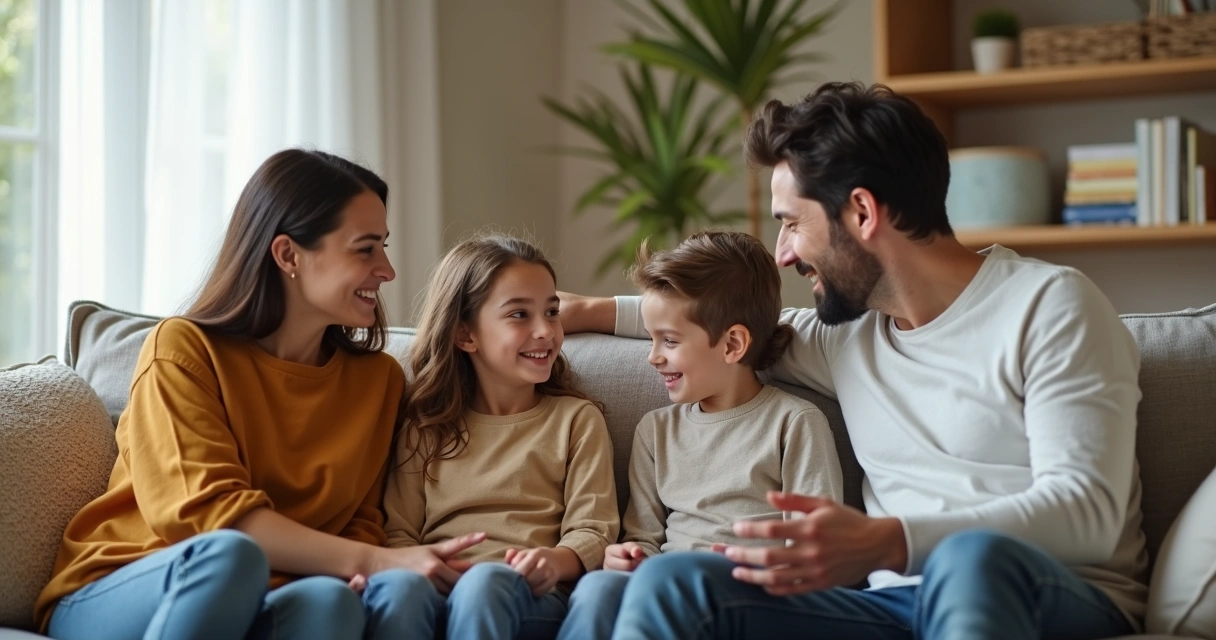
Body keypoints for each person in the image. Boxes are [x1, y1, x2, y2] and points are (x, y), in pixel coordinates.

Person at [560, 82, 1147, 639]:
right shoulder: (847, 338)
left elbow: (1088, 513)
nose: (783, 254)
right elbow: (720, 325)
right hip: (890, 606)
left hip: (1051, 592)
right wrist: (586, 310)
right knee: (674, 582)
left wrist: (888, 542)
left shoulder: (1051, 306)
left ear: (862, 212)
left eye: (792, 223)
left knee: (970, 561)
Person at [34, 149, 485, 640]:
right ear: (288, 254)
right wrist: (375, 560)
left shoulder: (378, 382)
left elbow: (360, 520)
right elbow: (205, 519)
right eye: (365, 249)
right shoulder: (184, 349)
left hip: (270, 591)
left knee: (333, 601)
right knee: (231, 556)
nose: (388, 270)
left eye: (385, 246)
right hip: (125, 583)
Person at [556, 231, 843, 640]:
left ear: (733, 344)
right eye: (652, 337)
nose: (653, 355)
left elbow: (817, 546)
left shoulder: (794, 422)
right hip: (664, 582)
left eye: (669, 341)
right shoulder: (655, 431)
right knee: (599, 587)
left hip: (748, 592)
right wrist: (628, 555)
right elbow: (645, 536)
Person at [384, 235, 619, 640]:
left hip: (531, 596)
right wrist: (422, 565)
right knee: (398, 589)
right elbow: (398, 533)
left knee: (485, 586)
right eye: (519, 315)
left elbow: (593, 532)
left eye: (551, 312)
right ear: (465, 335)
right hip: (440, 587)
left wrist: (553, 561)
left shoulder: (576, 420)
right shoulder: (424, 428)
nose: (546, 330)